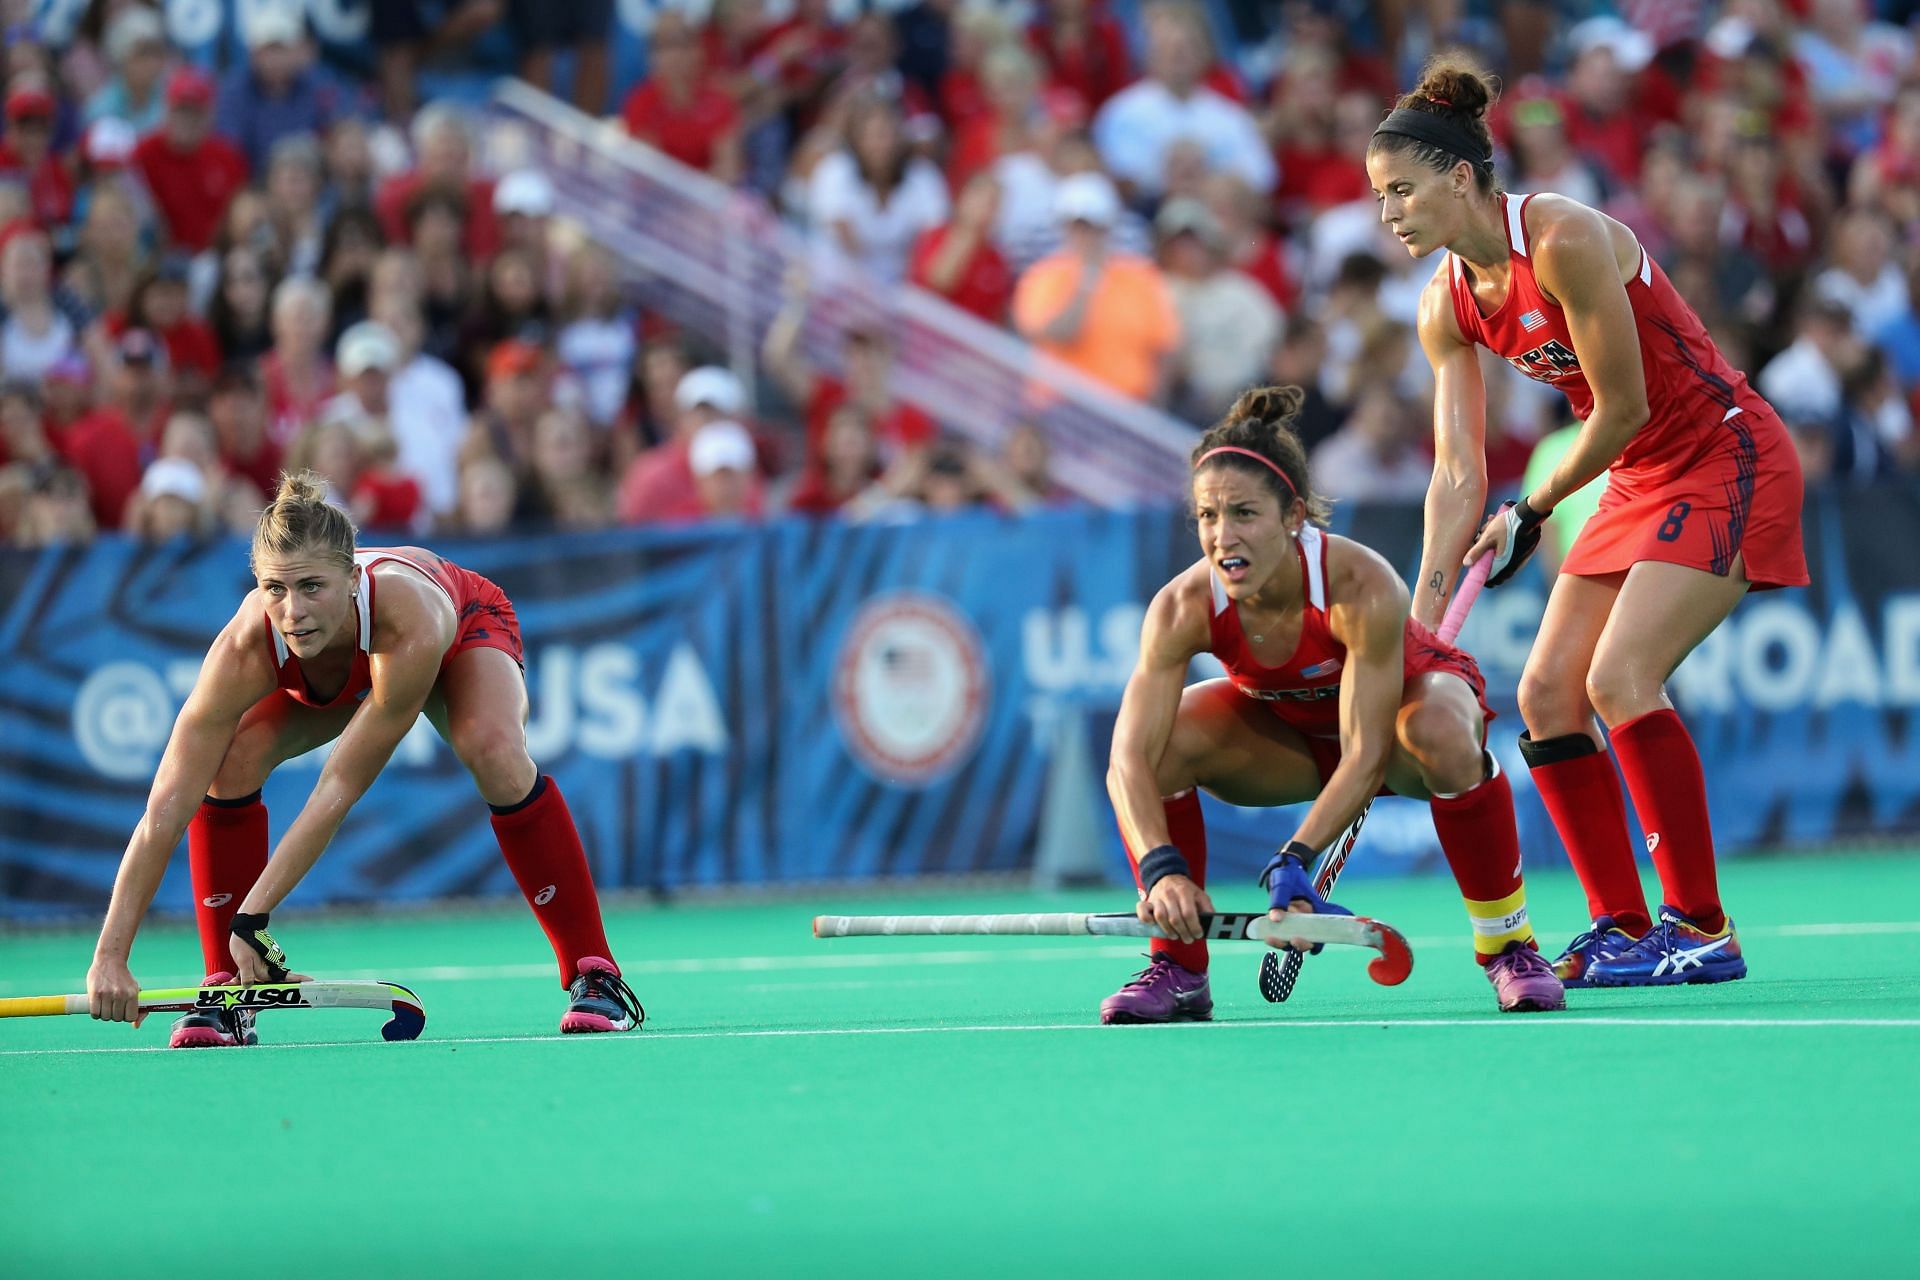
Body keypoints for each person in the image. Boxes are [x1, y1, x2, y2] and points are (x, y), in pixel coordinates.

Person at [1369, 56, 1809, 989]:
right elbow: (1455, 474)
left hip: (1724, 451)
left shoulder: (1561, 236)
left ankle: (1700, 926)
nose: (1390, 213)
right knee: (1546, 697)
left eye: (1403, 190)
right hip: (1637, 476)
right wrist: (1422, 620)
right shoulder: (1444, 304)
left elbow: (1622, 408)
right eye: (1379, 197)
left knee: (1620, 676)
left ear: (1460, 178)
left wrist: (1528, 509)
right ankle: (1620, 924)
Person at [84, 472, 643, 1046]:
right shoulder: (244, 646)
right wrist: (110, 956)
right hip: (344, 670)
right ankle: (229, 990)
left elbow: (338, 786)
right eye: (275, 589)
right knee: (232, 760)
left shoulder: (409, 617)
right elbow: (163, 812)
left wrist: (251, 919)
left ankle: (593, 972)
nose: (293, 611)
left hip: (454, 635)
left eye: (311, 587)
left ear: (352, 578)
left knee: (492, 747)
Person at [1101, 386, 1564, 1024]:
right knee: (1164, 743)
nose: (1222, 535)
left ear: (1294, 516)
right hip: (1287, 740)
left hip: (1396, 734)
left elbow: (1367, 749)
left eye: (1243, 514)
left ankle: (1509, 947)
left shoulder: (1358, 583)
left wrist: (1294, 861)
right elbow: (1126, 759)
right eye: (1208, 516)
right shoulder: (1182, 607)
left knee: (1441, 728)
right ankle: (1178, 968)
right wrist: (1161, 869)